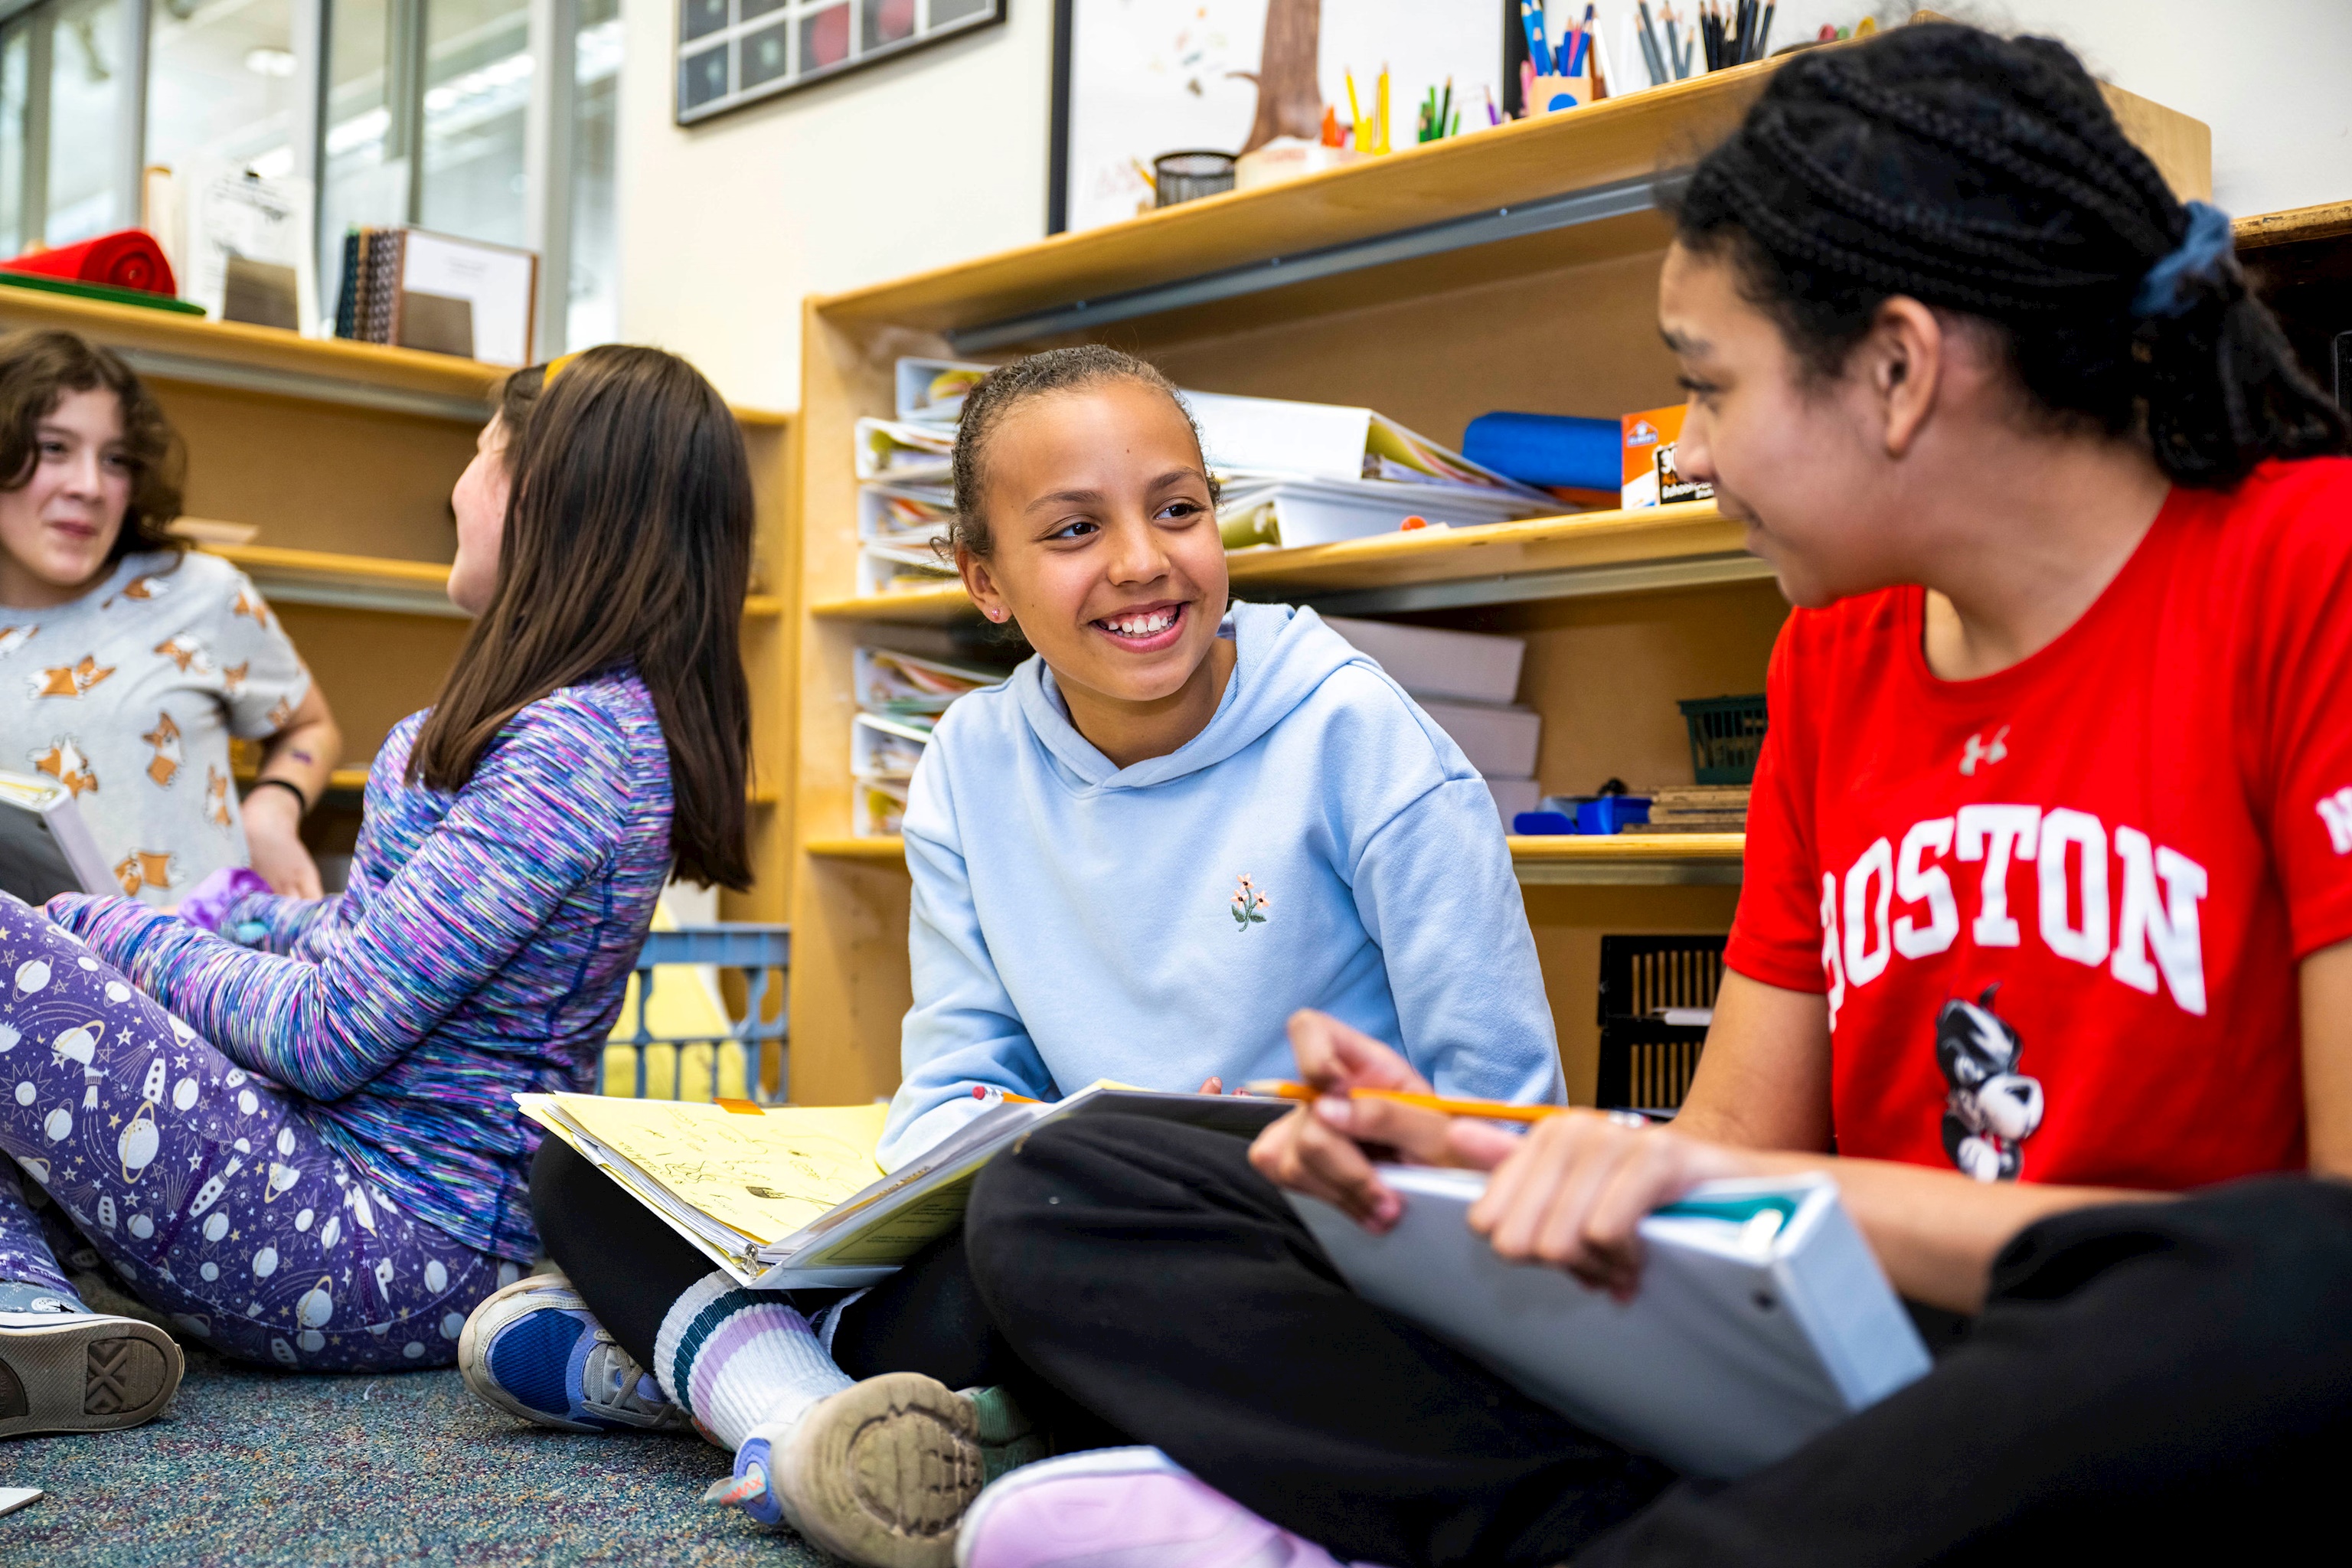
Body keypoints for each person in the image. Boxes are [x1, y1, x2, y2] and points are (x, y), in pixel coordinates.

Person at [939, 23, 2352, 1568]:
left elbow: (2319, 1259)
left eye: (1706, 387)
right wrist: (1475, 1159)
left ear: (1894, 369)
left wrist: (1718, 1184)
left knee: (2302, 1284)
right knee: (1085, 1186)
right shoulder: (1838, 649)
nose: (1684, 454)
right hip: (1840, 1372)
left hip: (2147, 1388)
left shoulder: (2312, 577)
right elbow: (1734, 1147)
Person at [458, 345, 1566, 1568]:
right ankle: (813, 1413)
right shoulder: (971, 760)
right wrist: (951, 1156)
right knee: (576, 1173)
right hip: (1046, 1218)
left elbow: (1505, 1117)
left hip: (1270, 1243)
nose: (1143, 561)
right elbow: (959, 1073)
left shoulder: (1359, 737)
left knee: (1047, 1231)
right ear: (985, 580)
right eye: (1076, 528)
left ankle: (719, 1373)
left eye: (1180, 509)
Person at [0, 344, 753, 1440]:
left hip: (390, 1238)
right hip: (364, 1206)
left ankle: (27, 1294)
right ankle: (27, 1310)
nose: (458, 485)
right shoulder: (568, 729)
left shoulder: (577, 750)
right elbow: (373, 949)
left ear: (543, 496)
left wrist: (101, 928)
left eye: (480, 454)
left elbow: (325, 1031)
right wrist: (237, 915)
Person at [0, 327, 341, 903]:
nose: (89, 486)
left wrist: (273, 809)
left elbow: (310, 726)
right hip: (36, 984)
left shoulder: (199, 593)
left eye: (115, 460)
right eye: (55, 448)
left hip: (199, 978)